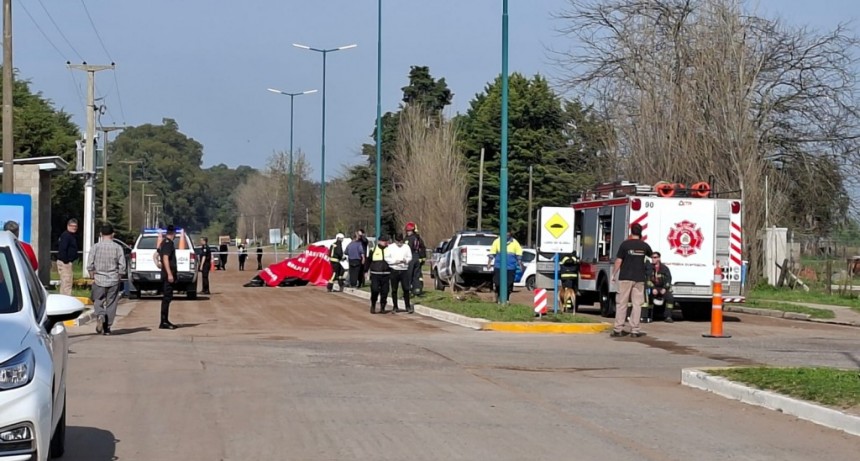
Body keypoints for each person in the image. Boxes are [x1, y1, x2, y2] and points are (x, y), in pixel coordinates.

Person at [611, 223, 653, 338]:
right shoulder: (645, 246)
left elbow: (619, 261)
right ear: (641, 232)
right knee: (637, 304)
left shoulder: (625, 245)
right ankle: (635, 330)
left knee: (621, 303)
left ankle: (618, 329)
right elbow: (651, 257)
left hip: (625, 278)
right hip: (639, 279)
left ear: (631, 231)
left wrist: (613, 274)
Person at [87, 224, 126, 335]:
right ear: (113, 234)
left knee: (97, 300)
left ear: (100, 234)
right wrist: (120, 275)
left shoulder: (95, 247)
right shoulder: (117, 247)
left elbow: (90, 263)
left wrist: (91, 273)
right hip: (113, 279)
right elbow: (122, 264)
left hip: (99, 279)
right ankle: (107, 328)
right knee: (112, 303)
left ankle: (100, 314)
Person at [488, 231, 523, 303]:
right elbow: (492, 253)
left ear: (510, 235)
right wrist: (489, 263)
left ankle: (506, 299)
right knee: (497, 282)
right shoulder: (497, 241)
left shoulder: (515, 242)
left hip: (510, 267)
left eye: (508, 235)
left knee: (509, 283)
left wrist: (520, 263)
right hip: (499, 266)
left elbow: (519, 254)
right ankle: (498, 296)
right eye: (505, 235)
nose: (507, 236)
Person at [368, 235, 397, 314]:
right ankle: (373, 305)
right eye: (383, 241)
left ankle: (383, 307)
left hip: (386, 274)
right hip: (375, 274)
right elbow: (368, 261)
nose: (385, 242)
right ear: (379, 241)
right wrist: (365, 271)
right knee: (375, 290)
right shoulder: (373, 250)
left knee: (385, 291)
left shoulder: (389, 250)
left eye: (386, 241)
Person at [158, 225, 179, 330]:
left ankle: (165, 320)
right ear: (173, 233)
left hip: (166, 273)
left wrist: (158, 263)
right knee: (166, 298)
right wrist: (169, 273)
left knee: (168, 297)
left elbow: (156, 254)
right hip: (168, 275)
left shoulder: (163, 243)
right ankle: (164, 321)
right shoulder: (168, 243)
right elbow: (165, 258)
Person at [645, 251, 675, 323]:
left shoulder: (664, 268)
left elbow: (668, 279)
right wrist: (653, 288)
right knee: (648, 297)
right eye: (652, 258)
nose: (653, 259)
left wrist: (665, 288)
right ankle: (649, 316)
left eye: (655, 257)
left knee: (670, 297)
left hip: (662, 288)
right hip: (652, 288)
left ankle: (668, 316)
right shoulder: (649, 268)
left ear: (659, 258)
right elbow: (647, 280)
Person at [388, 233, 413, 313]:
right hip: (394, 269)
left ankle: (408, 306)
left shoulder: (406, 247)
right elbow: (387, 258)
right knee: (394, 289)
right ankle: (395, 306)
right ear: (395, 240)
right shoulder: (390, 247)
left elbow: (410, 257)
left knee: (406, 289)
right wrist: (394, 261)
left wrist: (406, 260)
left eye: (400, 241)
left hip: (404, 270)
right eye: (397, 241)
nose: (399, 243)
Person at [57, 218, 79, 296]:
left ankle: (63, 299)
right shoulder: (66, 236)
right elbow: (62, 249)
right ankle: (66, 300)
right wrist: (66, 261)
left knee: (65, 282)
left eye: (75, 226)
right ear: (68, 226)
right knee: (67, 283)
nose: (74, 228)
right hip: (65, 263)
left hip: (67, 262)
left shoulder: (71, 236)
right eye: (72, 226)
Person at [405, 222, 427, 296]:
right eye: (407, 231)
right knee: (417, 275)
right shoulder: (418, 238)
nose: (408, 232)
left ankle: (408, 290)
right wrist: (423, 257)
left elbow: (407, 249)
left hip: (411, 258)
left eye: (409, 231)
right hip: (417, 258)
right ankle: (417, 289)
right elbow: (423, 248)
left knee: (409, 275)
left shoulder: (408, 239)